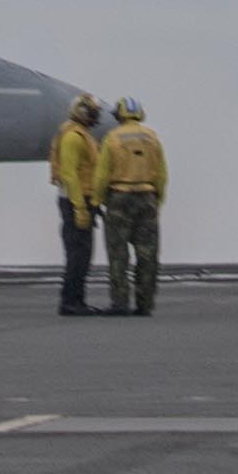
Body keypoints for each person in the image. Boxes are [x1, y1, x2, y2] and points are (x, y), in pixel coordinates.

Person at [96, 92, 170, 319]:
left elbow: (102, 174)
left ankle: (120, 302)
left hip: (119, 197)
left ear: (119, 114)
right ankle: (145, 303)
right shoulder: (152, 137)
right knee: (147, 254)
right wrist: (157, 200)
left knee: (118, 254)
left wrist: (97, 200)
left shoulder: (113, 138)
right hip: (147, 196)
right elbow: (162, 174)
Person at [52, 95, 111, 315]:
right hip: (74, 201)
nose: (96, 117)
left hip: (79, 201)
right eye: (93, 113)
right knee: (77, 255)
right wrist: (80, 207)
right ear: (83, 112)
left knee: (83, 255)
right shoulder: (73, 138)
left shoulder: (82, 135)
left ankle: (77, 300)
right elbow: (69, 175)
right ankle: (70, 302)